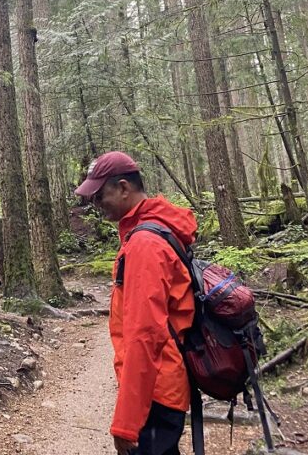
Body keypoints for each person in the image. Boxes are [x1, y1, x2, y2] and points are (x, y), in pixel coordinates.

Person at [75, 151, 197, 455]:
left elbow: (145, 336)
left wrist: (126, 424)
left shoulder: (145, 244)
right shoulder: (152, 230)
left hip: (156, 391)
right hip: (160, 387)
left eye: (100, 195)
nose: (96, 204)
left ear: (124, 188)